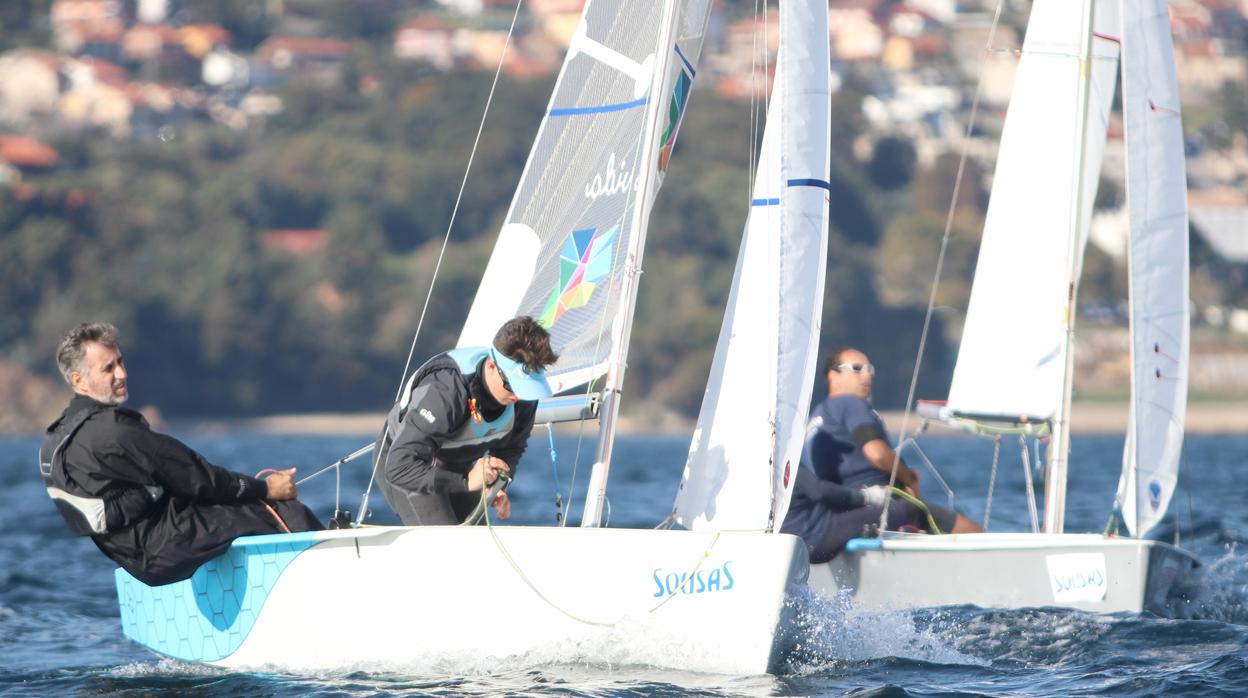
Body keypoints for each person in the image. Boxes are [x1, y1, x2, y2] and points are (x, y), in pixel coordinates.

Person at [39, 322, 323, 587]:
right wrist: (267, 487)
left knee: (220, 510)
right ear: (79, 380)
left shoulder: (56, 441)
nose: (122, 374)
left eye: (121, 362)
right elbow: (200, 477)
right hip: (166, 548)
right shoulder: (113, 431)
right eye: (108, 368)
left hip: (135, 563)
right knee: (282, 511)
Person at [376, 315, 559, 525]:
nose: (518, 396)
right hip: (409, 465)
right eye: (512, 385)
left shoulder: (523, 398)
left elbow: (511, 448)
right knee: (451, 547)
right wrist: (466, 482)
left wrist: (497, 484)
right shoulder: (446, 392)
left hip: (460, 466)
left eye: (526, 388)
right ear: (491, 366)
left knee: (477, 547)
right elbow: (399, 466)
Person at [803, 346, 983, 535]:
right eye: (856, 368)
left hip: (842, 514)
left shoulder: (816, 418)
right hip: (880, 505)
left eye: (869, 370)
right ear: (833, 375)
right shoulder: (851, 403)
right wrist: (909, 478)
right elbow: (877, 454)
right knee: (973, 532)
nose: (866, 376)